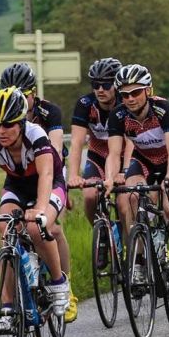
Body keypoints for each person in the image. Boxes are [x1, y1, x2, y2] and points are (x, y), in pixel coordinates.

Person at [0, 87, 70, 332]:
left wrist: (39, 209)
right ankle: (7, 307)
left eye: (7, 125)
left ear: (21, 121)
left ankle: (59, 283)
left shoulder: (36, 134)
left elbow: (47, 174)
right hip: (17, 185)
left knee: (38, 228)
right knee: (6, 233)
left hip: (49, 182)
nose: (1, 131)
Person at [104, 63, 169, 297]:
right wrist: (108, 179)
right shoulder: (118, 115)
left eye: (136, 92)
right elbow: (114, 154)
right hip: (144, 160)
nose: (130, 98)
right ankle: (140, 263)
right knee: (132, 198)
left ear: (148, 91)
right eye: (124, 94)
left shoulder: (164, 109)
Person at [0, 62, 77, 323]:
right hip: (22, 178)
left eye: (24, 94)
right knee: (12, 229)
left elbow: (54, 152)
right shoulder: (2, 117)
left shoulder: (49, 112)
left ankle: (65, 287)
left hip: (50, 170)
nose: (19, 99)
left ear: (34, 93)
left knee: (51, 229)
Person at [67, 57, 123, 224]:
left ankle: (131, 243)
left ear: (117, 85)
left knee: (123, 202)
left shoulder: (125, 102)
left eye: (106, 85)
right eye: (95, 85)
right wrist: (73, 175)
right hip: (97, 154)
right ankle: (101, 235)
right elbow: (76, 143)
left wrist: (124, 170)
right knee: (90, 197)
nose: (100, 90)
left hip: (122, 154)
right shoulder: (85, 104)